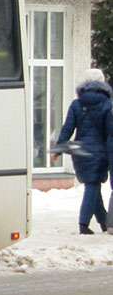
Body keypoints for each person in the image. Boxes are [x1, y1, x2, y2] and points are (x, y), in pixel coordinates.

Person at [52, 68, 113, 234]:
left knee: (92, 185)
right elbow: (110, 133)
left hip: (81, 152)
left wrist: (59, 148)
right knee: (92, 186)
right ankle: (83, 223)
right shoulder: (108, 104)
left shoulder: (77, 104)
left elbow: (67, 128)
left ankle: (103, 221)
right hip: (99, 153)